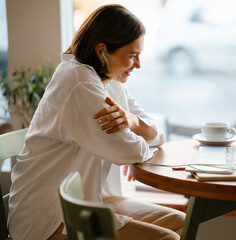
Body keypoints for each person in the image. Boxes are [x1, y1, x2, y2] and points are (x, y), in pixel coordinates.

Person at [8, 4, 185, 240]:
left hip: (90, 199)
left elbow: (157, 133)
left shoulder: (110, 82)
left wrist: (134, 123)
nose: (138, 65)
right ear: (102, 51)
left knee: (180, 222)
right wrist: (140, 142)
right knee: (168, 238)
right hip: (50, 216)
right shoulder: (78, 81)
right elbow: (129, 151)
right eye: (132, 56)